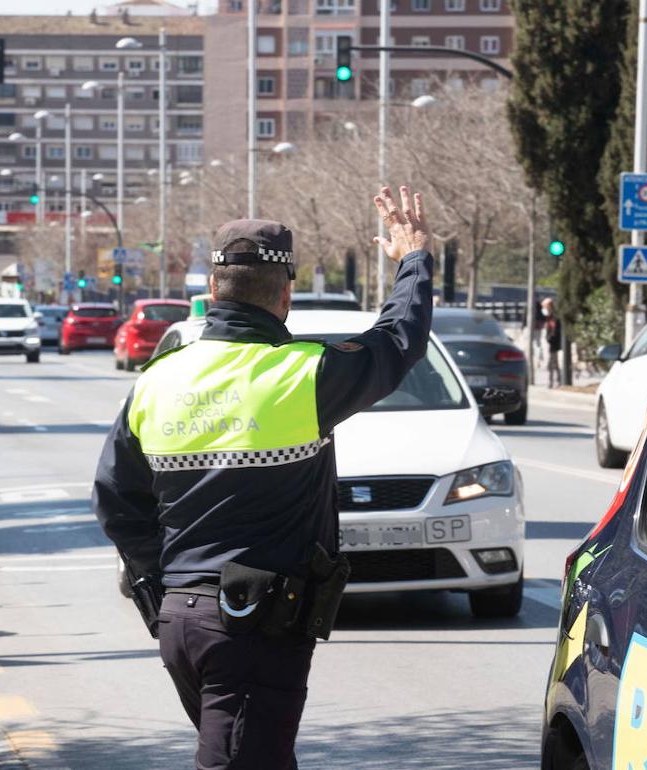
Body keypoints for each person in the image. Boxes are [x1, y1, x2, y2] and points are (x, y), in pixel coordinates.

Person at [92, 185, 433, 770]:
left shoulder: (157, 381)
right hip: (254, 630)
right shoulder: (305, 375)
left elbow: (116, 501)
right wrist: (413, 261)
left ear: (210, 291)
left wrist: (163, 588)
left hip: (183, 622)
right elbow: (398, 340)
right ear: (286, 298)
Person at [542, 297, 562, 388]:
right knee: (553, 363)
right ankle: (554, 381)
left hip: (554, 343)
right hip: (551, 343)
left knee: (553, 363)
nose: (545, 309)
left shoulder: (554, 317)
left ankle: (555, 381)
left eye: (545, 307)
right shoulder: (549, 317)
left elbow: (555, 330)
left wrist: (549, 338)